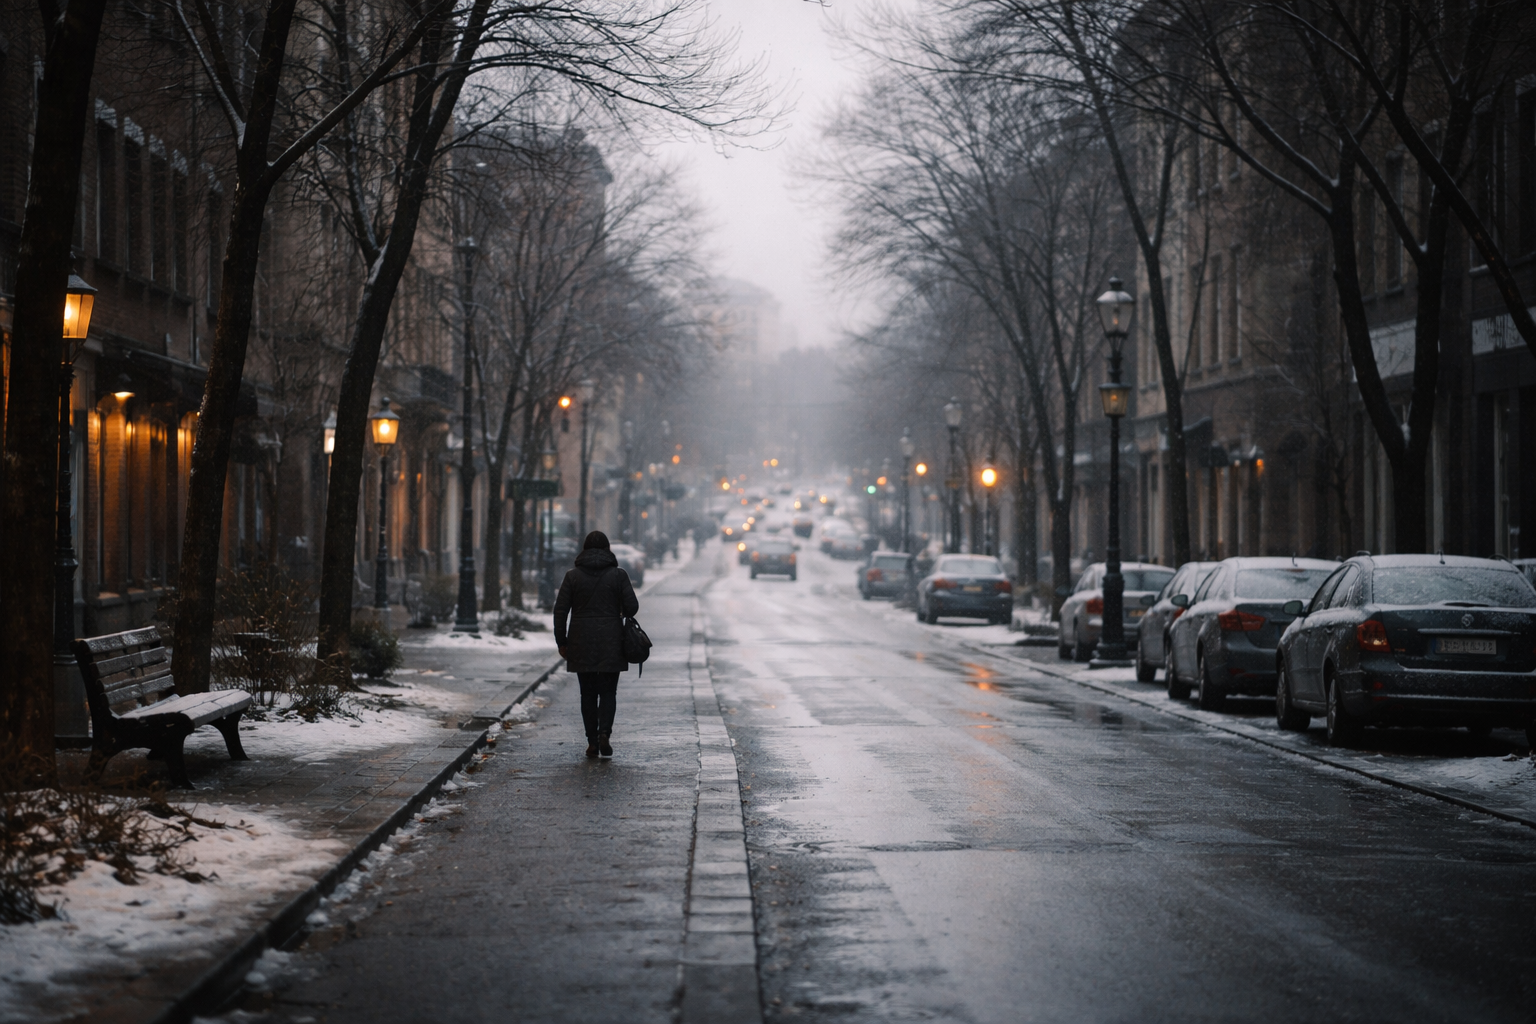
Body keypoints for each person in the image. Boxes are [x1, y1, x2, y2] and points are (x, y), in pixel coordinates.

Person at [553, 530, 639, 759]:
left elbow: (560, 611)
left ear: (583, 549)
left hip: (581, 641)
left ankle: (591, 741)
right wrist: (616, 606)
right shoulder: (618, 575)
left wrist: (561, 641)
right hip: (611, 640)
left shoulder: (572, 576)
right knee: (609, 691)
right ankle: (605, 734)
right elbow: (632, 608)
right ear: (608, 549)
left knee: (587, 693)